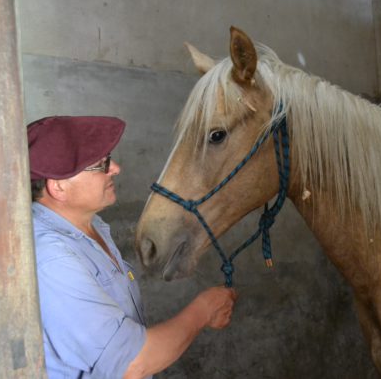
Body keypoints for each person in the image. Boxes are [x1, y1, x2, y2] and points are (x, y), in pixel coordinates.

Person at [28, 115, 237, 378]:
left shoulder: (93, 228)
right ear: (58, 186)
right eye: (100, 163)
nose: (115, 168)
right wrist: (204, 310)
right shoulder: (51, 257)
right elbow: (131, 364)